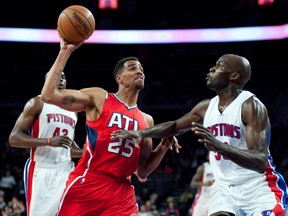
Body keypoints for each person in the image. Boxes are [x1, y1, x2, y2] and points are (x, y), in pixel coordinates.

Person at [111, 53, 288, 215]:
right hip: (224, 188)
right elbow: (174, 126)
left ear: (234, 76)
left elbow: (259, 160)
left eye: (219, 66)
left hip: (258, 187)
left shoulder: (251, 106)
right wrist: (140, 133)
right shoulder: (206, 107)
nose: (211, 69)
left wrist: (219, 146)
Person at [40, 38, 181, 216]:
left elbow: (142, 171)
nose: (139, 71)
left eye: (141, 69)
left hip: (121, 191)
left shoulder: (147, 120)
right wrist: (64, 52)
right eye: (132, 68)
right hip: (89, 181)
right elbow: (49, 95)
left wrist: (163, 147)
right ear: (119, 78)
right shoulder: (100, 98)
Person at [9, 72, 83, 216]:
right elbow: (14, 138)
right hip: (40, 168)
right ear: (46, 81)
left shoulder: (73, 111)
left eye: (63, 77)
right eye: (56, 77)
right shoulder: (37, 103)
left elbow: (68, 148)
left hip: (65, 168)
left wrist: (86, 151)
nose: (60, 79)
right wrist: (48, 142)